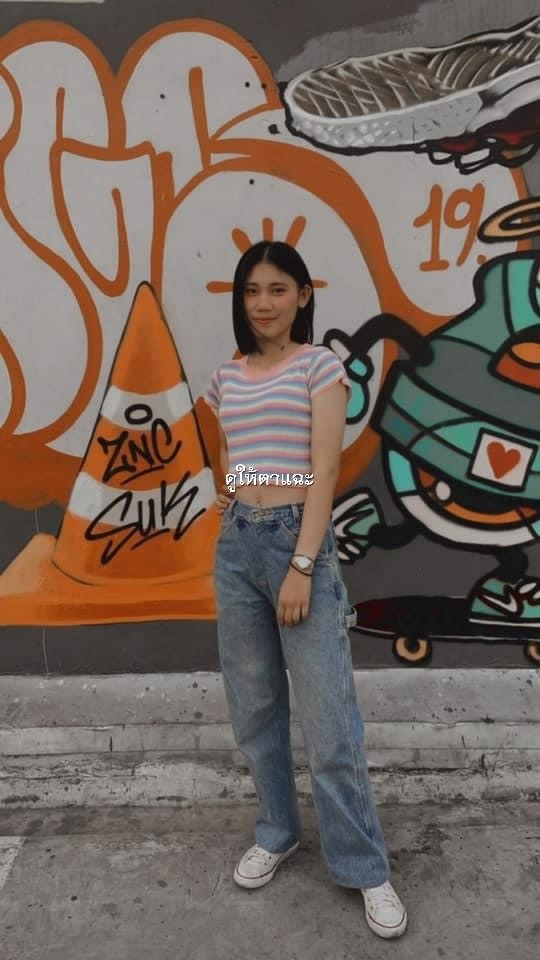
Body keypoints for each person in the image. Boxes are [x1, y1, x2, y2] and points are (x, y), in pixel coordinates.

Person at [204, 240, 407, 940]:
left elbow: (324, 471)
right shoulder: (226, 376)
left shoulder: (320, 366)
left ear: (303, 295)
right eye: (251, 290)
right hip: (238, 547)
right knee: (255, 708)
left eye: (277, 289)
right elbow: (229, 453)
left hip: (300, 546)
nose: (263, 303)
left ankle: (364, 866)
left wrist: (301, 563)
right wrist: (235, 496)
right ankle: (278, 830)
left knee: (329, 721)